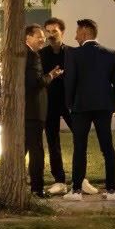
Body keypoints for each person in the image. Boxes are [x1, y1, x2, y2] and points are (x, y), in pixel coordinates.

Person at [65, 17, 115, 200]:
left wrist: (70, 104)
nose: (75, 38)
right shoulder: (111, 53)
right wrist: (112, 104)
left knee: (79, 148)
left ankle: (76, 190)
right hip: (104, 106)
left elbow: (70, 82)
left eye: (76, 33)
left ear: (84, 32)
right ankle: (112, 190)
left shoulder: (74, 54)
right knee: (107, 147)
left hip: (81, 107)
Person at [39, 17, 72, 195]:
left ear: (62, 32)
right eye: (48, 32)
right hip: (49, 104)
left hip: (70, 104)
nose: (51, 35)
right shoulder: (41, 55)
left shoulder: (72, 54)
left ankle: (81, 179)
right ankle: (59, 180)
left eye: (54, 31)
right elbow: (39, 80)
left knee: (80, 139)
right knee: (53, 142)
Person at [23, 24, 50, 198]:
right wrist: (51, 76)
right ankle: (37, 188)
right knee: (36, 150)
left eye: (43, 37)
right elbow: (35, 82)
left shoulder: (22, 55)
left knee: (23, 148)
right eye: (39, 36)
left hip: (25, 110)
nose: (42, 39)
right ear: (28, 38)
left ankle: (20, 183)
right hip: (34, 110)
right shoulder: (32, 56)